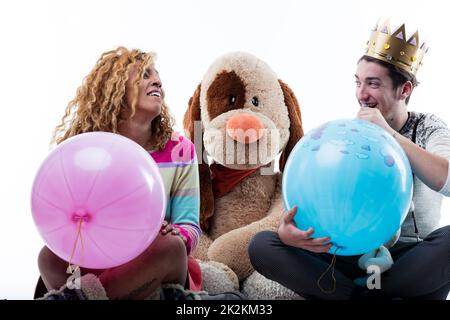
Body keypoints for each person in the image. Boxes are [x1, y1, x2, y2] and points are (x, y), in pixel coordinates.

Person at [248, 19, 450, 300]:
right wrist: (289, 233)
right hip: (349, 255)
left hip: (410, 260)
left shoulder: (428, 127)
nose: (361, 94)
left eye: (373, 83)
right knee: (262, 245)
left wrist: (390, 135)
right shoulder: (348, 135)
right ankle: (364, 297)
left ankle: (356, 296)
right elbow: (326, 201)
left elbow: (448, 181)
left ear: (404, 90)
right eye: (358, 82)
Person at [37, 47, 243, 300]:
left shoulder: (179, 150)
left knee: (171, 248)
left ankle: (82, 298)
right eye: (145, 75)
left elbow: (189, 225)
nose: (157, 81)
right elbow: (65, 218)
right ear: (115, 91)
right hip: (97, 262)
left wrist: (177, 233)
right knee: (48, 257)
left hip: (152, 262)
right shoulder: (85, 151)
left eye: (157, 76)